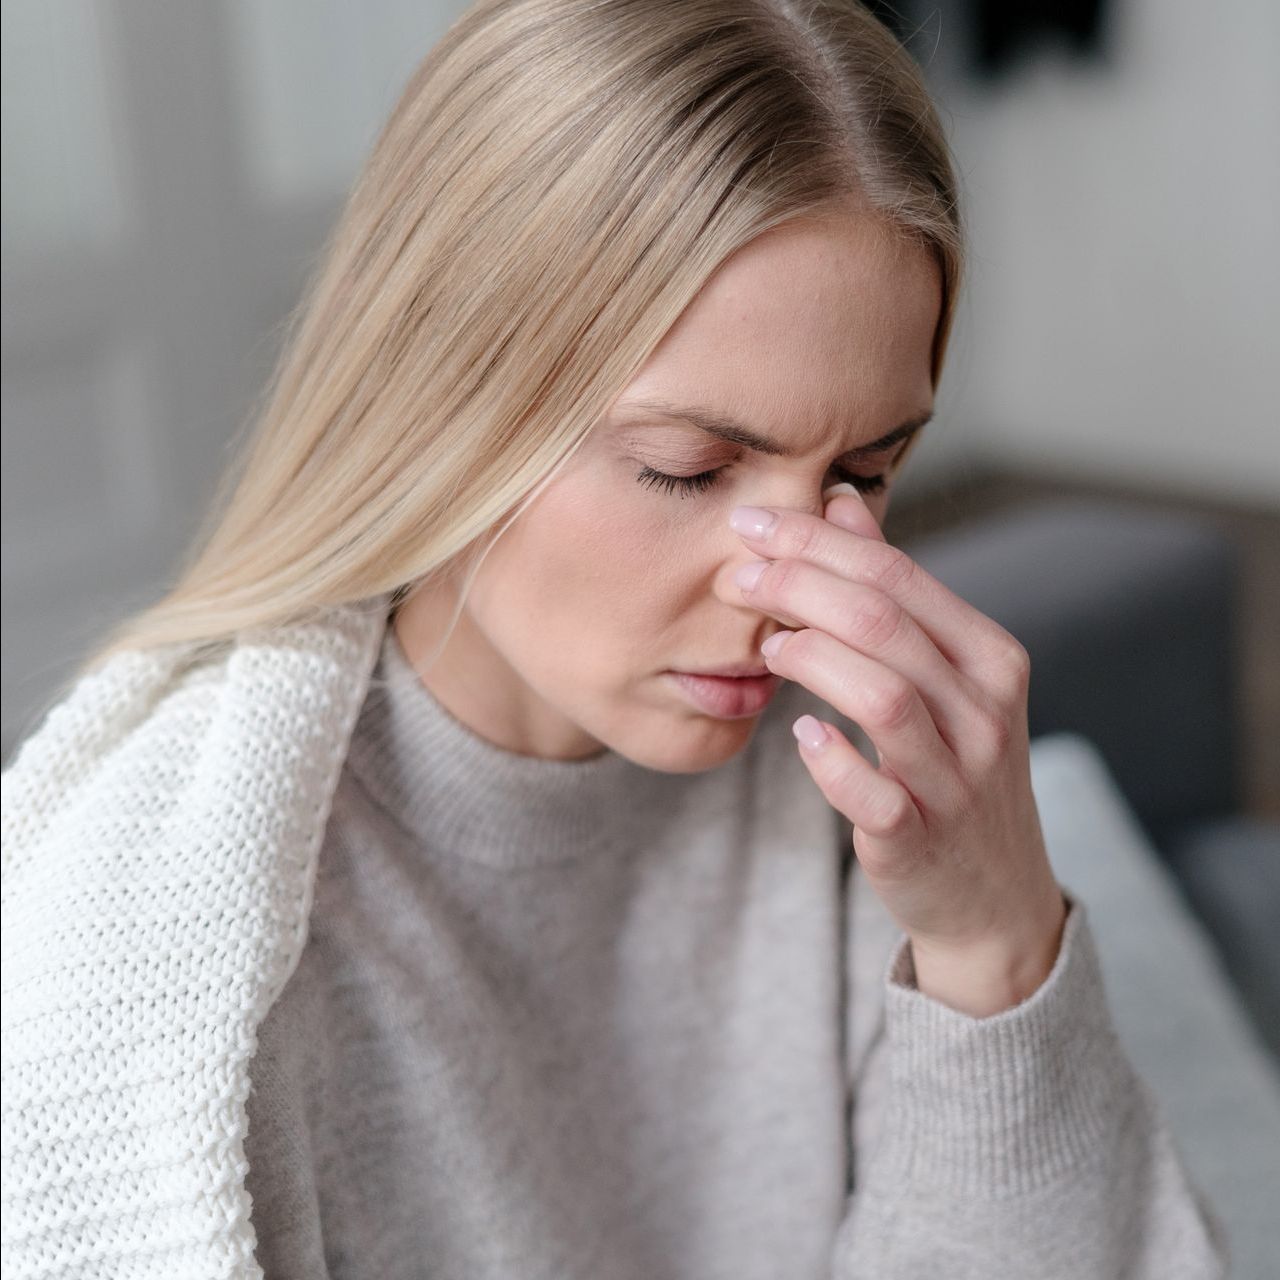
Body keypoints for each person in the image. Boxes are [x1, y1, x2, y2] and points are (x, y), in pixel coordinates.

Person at [0, 1, 1228, 1277]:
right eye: (686, 467)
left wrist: (990, 944)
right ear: (440, 395)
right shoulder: (156, 951)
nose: (790, 582)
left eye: (863, 469)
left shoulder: (857, 783)